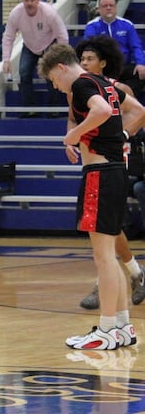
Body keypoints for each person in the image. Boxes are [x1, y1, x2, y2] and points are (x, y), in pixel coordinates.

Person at [38, 43, 142, 349]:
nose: (57, 88)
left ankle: (107, 329)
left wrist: (74, 134)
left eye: (54, 82)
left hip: (100, 173)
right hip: (115, 172)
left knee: (103, 257)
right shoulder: (104, 83)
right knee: (109, 255)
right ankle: (122, 327)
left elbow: (100, 111)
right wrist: (123, 134)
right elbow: (139, 111)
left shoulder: (82, 83)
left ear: (60, 68)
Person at [69, 36, 145, 309]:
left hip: (113, 157)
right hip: (92, 156)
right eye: (82, 59)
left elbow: (141, 114)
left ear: (103, 62)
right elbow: (73, 118)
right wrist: (71, 139)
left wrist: (124, 133)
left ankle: (105, 286)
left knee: (105, 223)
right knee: (107, 225)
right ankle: (135, 273)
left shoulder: (117, 88)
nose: (85, 63)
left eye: (90, 59)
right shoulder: (77, 89)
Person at [1, 0, 69, 116]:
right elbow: (8, 37)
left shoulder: (49, 12)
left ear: (38, 1)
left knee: (52, 74)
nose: (29, 4)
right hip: (29, 46)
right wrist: (6, 60)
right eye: (26, 1)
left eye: (32, 0)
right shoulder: (16, 13)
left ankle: (53, 109)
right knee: (24, 73)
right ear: (23, 1)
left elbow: (62, 35)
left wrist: (61, 56)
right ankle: (29, 109)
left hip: (50, 44)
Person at [84, 0, 145, 97]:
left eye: (111, 5)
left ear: (116, 8)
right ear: (98, 9)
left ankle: (121, 97)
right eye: (105, 6)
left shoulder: (127, 24)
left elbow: (136, 46)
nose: (108, 8)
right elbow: (88, 48)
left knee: (141, 73)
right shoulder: (92, 26)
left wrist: (141, 63)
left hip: (123, 67)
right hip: (103, 68)